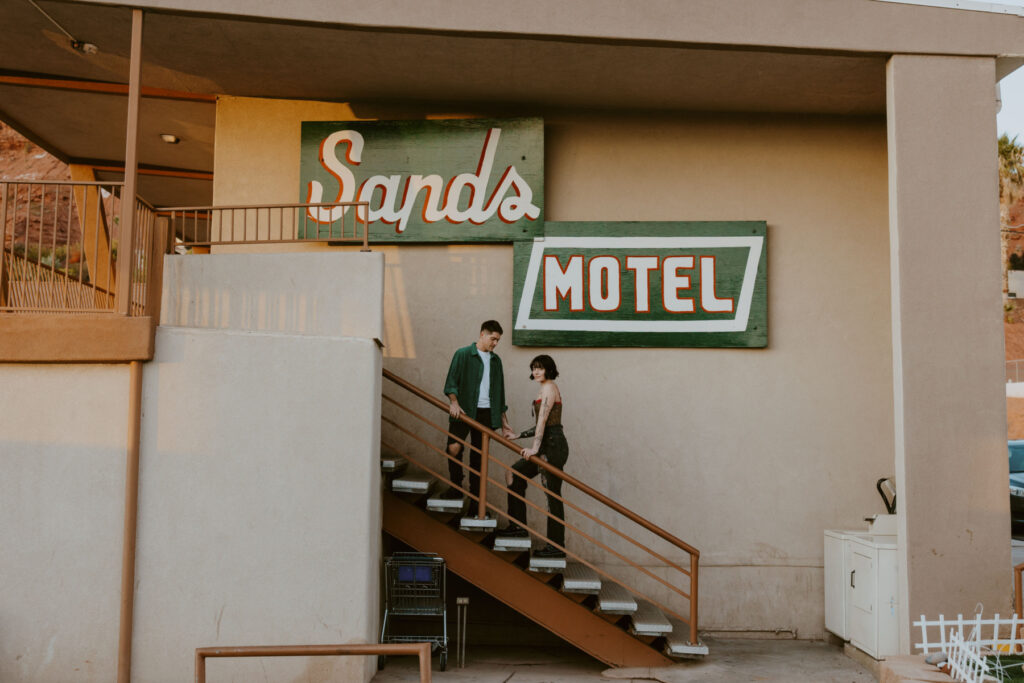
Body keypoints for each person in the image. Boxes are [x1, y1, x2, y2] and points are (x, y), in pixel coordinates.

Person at [442, 320, 516, 514]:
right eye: (493, 339)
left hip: (486, 413)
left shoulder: (495, 360)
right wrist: (454, 402)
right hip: (465, 410)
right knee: (453, 448)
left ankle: (476, 503)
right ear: (482, 334)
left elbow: (500, 393)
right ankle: (456, 488)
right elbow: (451, 381)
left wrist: (504, 423)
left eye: (498, 340)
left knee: (478, 459)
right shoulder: (463, 354)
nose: (495, 343)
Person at [504, 354, 569, 558]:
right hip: (546, 443)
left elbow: (543, 422)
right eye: (533, 368)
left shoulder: (550, 388)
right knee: (513, 474)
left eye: (540, 368)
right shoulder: (543, 388)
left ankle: (556, 547)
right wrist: (518, 435)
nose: (536, 372)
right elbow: (542, 424)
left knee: (552, 494)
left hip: (554, 446)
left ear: (548, 369)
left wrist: (533, 448)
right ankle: (517, 527)